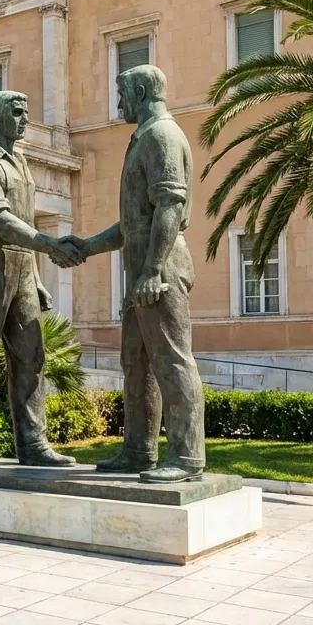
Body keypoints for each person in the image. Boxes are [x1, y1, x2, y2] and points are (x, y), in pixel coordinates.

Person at [65, 65, 205, 483]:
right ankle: (139, 450)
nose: (119, 102)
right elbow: (133, 224)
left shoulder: (162, 134)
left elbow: (169, 207)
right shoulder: (143, 137)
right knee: (137, 362)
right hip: (142, 265)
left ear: (142, 91)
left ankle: (187, 457)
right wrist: (88, 247)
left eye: (122, 93)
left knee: (172, 361)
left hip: (158, 269)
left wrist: (152, 271)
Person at [0, 90, 84, 472]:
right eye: (17, 113)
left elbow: (22, 221)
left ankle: (32, 442)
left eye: (26, 112)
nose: (25, 119)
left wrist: (35, 274)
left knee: (32, 356)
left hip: (23, 266)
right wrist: (46, 243)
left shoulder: (21, 162)